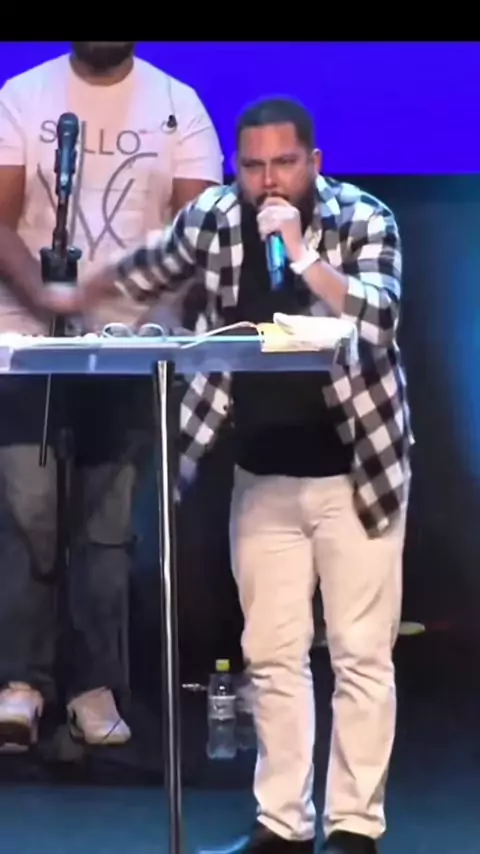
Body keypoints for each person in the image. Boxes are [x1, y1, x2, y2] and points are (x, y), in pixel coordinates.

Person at [42, 96, 413, 853]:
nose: (269, 181)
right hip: (261, 475)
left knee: (360, 655)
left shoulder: (363, 218)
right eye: (253, 166)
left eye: (284, 164)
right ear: (233, 167)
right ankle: (283, 824)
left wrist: (304, 259)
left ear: (314, 161)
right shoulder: (214, 218)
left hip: (358, 473)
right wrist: (76, 294)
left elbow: (378, 320)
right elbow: (148, 266)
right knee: (271, 656)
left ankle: (354, 826)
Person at [0, 41, 223, 749]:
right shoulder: (22, 98)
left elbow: (198, 230)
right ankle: (22, 682)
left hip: (129, 346)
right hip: (26, 343)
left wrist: (118, 292)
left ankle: (95, 688)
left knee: (105, 526)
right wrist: (43, 292)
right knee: (29, 513)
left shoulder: (177, 104)